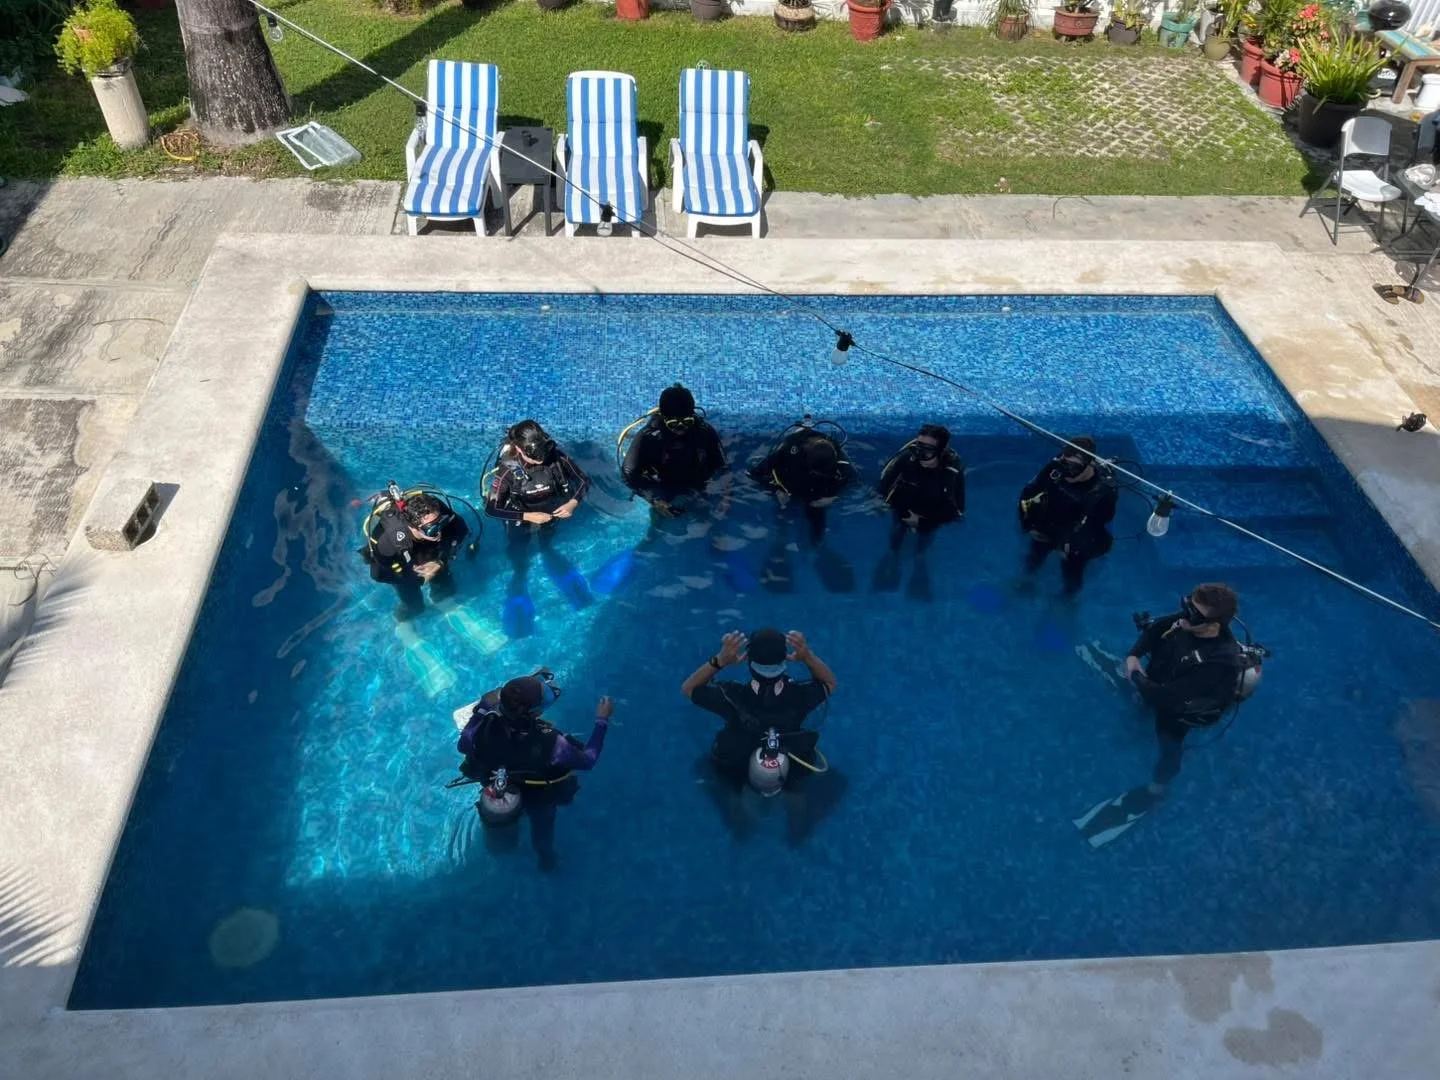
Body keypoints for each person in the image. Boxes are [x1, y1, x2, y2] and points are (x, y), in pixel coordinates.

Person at [456, 671, 613, 869]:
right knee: (542, 829)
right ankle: (546, 860)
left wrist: (482, 708)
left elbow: (463, 746)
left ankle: (505, 848)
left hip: (498, 786)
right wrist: (602, 721)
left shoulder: (483, 726)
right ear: (536, 713)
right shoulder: (553, 744)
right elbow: (589, 760)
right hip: (539, 799)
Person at [1124, 584, 1248, 798]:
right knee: (1144, 702)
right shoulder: (1189, 620)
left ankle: (1157, 787)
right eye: (1187, 604)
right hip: (1156, 681)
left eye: (1193, 612)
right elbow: (1154, 631)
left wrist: (1135, 675)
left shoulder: (1219, 661)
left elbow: (1165, 696)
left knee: (1169, 749)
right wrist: (1134, 655)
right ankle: (1141, 709)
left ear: (1213, 624)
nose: (1184, 614)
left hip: (1177, 709)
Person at [681, 628, 835, 784]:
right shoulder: (801, 695)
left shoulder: (730, 696)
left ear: (748, 659)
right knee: (796, 790)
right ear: (785, 660)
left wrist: (720, 660)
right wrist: (807, 656)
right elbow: (829, 683)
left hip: (736, 763)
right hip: (790, 761)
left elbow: (689, 688)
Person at [484, 420, 592, 631]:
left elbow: (583, 481)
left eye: (541, 456)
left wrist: (572, 503)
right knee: (518, 548)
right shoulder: (507, 470)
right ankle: (520, 570)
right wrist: (526, 516)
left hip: (551, 512)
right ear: (517, 449)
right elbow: (491, 509)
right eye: (532, 458)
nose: (539, 461)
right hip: (519, 516)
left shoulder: (556, 456)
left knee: (546, 540)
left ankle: (545, 548)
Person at [1018, 436, 1118, 594]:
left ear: (1089, 464)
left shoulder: (1101, 491)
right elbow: (1029, 493)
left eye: (1074, 467)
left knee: (1072, 574)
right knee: (1033, 558)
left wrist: (1069, 544)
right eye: (1065, 464)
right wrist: (1029, 524)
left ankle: (1067, 599)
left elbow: (1098, 524)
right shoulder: (1056, 468)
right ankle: (1027, 580)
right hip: (1049, 524)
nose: (1067, 473)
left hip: (1077, 536)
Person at [873, 424, 965, 595]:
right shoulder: (908, 459)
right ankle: (894, 558)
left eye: (927, 450)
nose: (919, 455)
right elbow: (884, 483)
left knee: (925, 538)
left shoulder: (949, 472)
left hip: (931, 508)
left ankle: (919, 561)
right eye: (917, 447)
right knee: (897, 535)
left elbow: (955, 511)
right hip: (906, 501)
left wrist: (922, 521)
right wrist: (880, 503)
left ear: (940, 451)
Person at [360, 484, 470, 618]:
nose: (439, 531)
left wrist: (440, 561)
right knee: (413, 604)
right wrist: (418, 579)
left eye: (441, 522)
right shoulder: (387, 543)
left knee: (444, 583)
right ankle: (404, 621)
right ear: (412, 526)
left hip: (427, 548)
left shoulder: (436, 509)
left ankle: (444, 601)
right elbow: (379, 575)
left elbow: (460, 529)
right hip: (400, 560)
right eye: (432, 529)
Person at [620, 383, 727, 516]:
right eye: (674, 424)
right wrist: (654, 500)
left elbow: (722, 466)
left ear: (693, 415)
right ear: (663, 418)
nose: (681, 429)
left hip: (696, 477)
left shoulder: (703, 430)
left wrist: (725, 498)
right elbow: (628, 472)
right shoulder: (649, 436)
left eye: (687, 422)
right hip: (662, 481)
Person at [748, 418, 856, 546]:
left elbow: (853, 479)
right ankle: (780, 545)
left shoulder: (835, 450)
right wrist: (776, 490)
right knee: (782, 519)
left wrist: (834, 498)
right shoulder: (788, 448)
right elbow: (755, 474)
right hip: (789, 486)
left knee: (817, 521)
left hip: (817, 496)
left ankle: (817, 547)